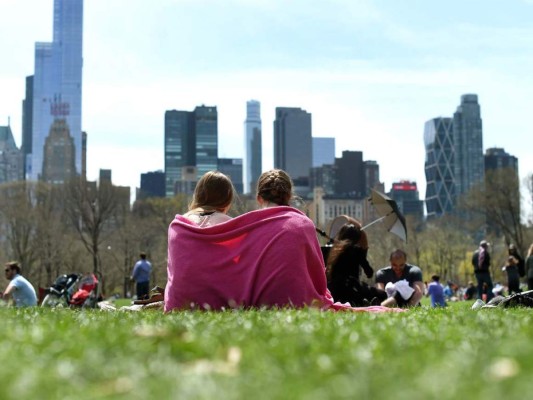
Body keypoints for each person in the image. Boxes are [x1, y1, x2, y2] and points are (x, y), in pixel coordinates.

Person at [165, 169, 402, 313]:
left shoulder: (181, 226)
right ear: (289, 196)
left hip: (188, 302)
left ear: (258, 198)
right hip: (294, 301)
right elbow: (318, 279)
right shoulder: (301, 224)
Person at [326, 223, 384, 306]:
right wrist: (364, 251)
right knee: (382, 294)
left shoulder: (333, 250)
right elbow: (369, 273)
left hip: (334, 290)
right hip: (353, 288)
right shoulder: (357, 250)